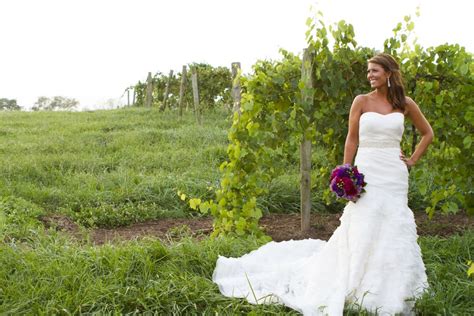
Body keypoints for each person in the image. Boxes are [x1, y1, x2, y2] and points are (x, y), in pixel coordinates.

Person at [212, 53, 434, 315]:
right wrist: (345, 172)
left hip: (394, 173)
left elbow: (427, 133)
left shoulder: (405, 103)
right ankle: (356, 281)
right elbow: (351, 139)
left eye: (374, 70)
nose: (370, 75)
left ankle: (396, 286)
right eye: (368, 71)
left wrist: (411, 160)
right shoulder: (361, 101)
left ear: (389, 73)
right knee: (365, 220)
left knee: (394, 223)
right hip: (368, 170)